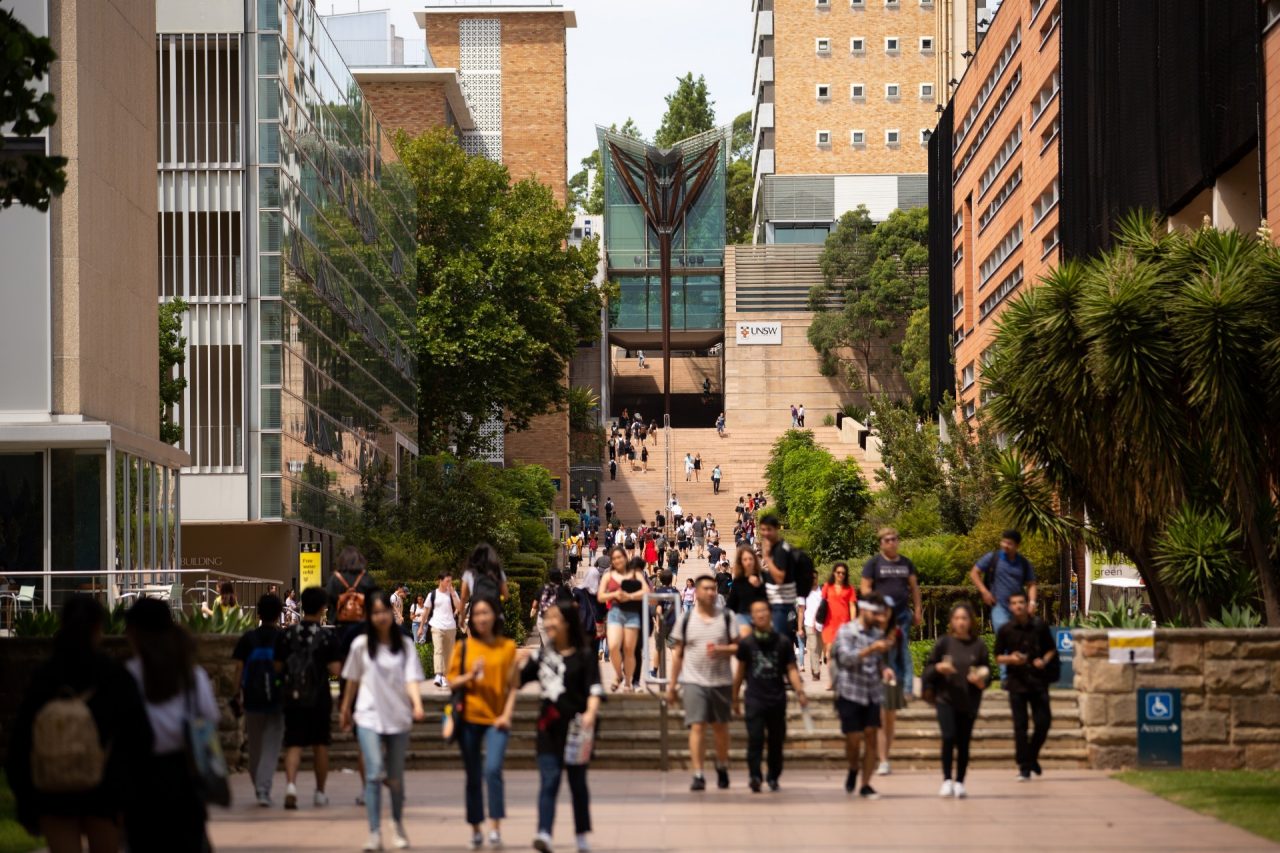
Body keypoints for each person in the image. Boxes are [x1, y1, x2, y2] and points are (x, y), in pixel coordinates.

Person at [6, 596, 151, 853]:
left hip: (54, 788)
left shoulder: (44, 676)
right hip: (104, 789)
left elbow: (21, 739)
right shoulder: (114, 674)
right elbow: (139, 735)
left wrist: (26, 800)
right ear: (98, 628)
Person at [122, 599, 219, 852]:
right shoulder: (191, 674)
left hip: (139, 779)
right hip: (184, 775)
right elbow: (209, 720)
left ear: (134, 633)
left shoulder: (127, 675)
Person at [340, 590, 426, 851]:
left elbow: (411, 680)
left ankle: (397, 824)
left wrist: (418, 705)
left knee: (396, 778)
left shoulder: (405, 647)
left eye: (384, 612)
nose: (380, 617)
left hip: (398, 719)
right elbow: (352, 681)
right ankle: (375, 832)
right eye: (375, 612)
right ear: (369, 617)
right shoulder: (360, 646)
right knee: (375, 773)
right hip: (367, 717)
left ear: (391, 613)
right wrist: (345, 710)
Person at [524, 602, 603, 853]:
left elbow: (594, 689)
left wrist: (591, 713)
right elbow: (515, 681)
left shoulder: (585, 656)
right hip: (548, 728)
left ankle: (581, 835)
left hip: (578, 730)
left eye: (554, 618)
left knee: (577, 783)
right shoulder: (541, 656)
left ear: (568, 622)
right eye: (546, 618)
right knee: (550, 780)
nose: (548, 623)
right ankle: (544, 833)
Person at [447, 597, 519, 850]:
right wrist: (470, 675)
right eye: (477, 614)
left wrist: (506, 715)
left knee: (492, 770)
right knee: (473, 775)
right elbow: (452, 682)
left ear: (495, 616)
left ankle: (496, 827)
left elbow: (513, 687)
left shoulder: (507, 647)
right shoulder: (463, 648)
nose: (482, 618)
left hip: (496, 720)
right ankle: (476, 827)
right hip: (468, 719)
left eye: (486, 613)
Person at [666, 574, 737, 791]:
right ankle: (698, 773)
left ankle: (722, 765)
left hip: (721, 680)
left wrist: (722, 649)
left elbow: (738, 646)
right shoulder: (686, 619)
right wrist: (672, 685)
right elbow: (678, 653)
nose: (711, 592)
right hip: (693, 681)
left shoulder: (726, 617)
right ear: (696, 592)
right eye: (706, 588)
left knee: (720, 728)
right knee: (697, 726)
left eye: (713, 588)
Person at [860, 527, 922, 776]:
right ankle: (887, 686)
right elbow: (865, 588)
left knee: (901, 647)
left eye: (895, 538)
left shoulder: (906, 563)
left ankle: (905, 688)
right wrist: (873, 609)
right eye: (887, 539)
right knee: (884, 652)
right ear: (881, 543)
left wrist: (918, 610)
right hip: (881, 618)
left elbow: (914, 588)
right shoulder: (874, 564)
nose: (892, 542)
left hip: (902, 615)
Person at [276, 586, 343, 811]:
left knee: (293, 744)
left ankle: (291, 787)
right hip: (319, 697)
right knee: (320, 745)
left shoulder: (287, 635)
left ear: (302, 605)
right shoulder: (326, 636)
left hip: (293, 695)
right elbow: (336, 667)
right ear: (323, 607)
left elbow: (277, 666)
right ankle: (320, 792)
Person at [732, 599, 808, 792]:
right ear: (752, 617)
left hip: (776, 699)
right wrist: (734, 697)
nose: (761, 615)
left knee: (776, 740)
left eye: (764, 611)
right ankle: (755, 775)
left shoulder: (782, 641)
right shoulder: (747, 643)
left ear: (770, 614)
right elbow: (740, 672)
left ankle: (774, 775)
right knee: (755, 739)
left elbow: (791, 669)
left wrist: (799, 691)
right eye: (757, 612)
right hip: (754, 699)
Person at [922, 602, 991, 799]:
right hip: (946, 699)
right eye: (957, 618)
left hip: (969, 701)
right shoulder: (944, 643)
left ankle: (960, 781)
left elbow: (987, 674)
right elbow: (927, 672)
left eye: (965, 618)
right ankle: (946, 780)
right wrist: (938, 669)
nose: (961, 622)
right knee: (948, 736)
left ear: (971, 621)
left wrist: (980, 680)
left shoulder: (978, 646)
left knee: (963, 742)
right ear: (952, 621)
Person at [829, 594, 894, 799]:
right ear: (864, 611)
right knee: (853, 740)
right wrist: (871, 649)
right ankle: (853, 767)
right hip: (849, 692)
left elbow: (878, 661)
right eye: (875, 613)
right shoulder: (846, 631)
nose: (878, 617)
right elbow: (846, 658)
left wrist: (885, 669)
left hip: (872, 692)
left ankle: (865, 784)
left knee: (871, 737)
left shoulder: (877, 634)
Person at [994, 589, 1055, 782]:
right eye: (1014, 603)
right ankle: (1024, 767)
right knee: (1020, 726)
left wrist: (1043, 661)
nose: (1018, 606)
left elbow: (1051, 649)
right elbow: (997, 657)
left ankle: (1031, 756)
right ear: (1010, 607)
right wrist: (1011, 659)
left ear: (1027, 603)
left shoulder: (1039, 626)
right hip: (1016, 682)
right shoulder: (1005, 629)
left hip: (1038, 681)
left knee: (1044, 722)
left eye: (1022, 602)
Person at [232, 593, 286, 807]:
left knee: (254, 745)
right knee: (272, 746)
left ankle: (259, 786)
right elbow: (285, 667)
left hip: (252, 698)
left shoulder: (248, 639)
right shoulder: (283, 638)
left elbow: (238, 668)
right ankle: (263, 788)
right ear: (279, 614)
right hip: (277, 698)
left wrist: (237, 693)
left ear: (259, 613)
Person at [969, 529, 1037, 684]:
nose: (1005, 545)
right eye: (1004, 542)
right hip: (998, 606)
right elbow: (974, 573)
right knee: (1004, 638)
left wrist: (1032, 602)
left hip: (1018, 608)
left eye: (1010, 543)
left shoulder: (1023, 563)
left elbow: (1031, 584)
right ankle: (1006, 678)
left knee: (1020, 640)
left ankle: (1019, 675)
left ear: (1017, 546)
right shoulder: (993, 558)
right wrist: (984, 592)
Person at [599, 551, 649, 693]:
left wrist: (630, 596)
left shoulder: (635, 573)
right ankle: (618, 674)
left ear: (625, 558)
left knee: (629, 650)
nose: (617, 560)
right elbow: (601, 596)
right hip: (615, 612)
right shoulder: (608, 575)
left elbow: (646, 590)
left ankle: (628, 682)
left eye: (619, 557)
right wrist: (615, 594)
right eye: (614, 558)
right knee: (613, 646)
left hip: (632, 613)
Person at [757, 514, 798, 643]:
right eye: (763, 529)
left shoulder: (781, 550)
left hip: (780, 605)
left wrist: (767, 559)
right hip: (776, 604)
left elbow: (780, 578)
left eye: (769, 529)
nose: (765, 533)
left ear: (776, 530)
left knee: (778, 645)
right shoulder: (779, 548)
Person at [421, 572, 462, 688]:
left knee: (449, 653)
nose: (449, 583)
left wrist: (453, 594)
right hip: (436, 626)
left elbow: (459, 608)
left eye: (450, 581)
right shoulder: (432, 594)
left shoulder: (452, 594)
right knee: (438, 650)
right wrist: (421, 627)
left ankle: (445, 676)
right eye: (447, 581)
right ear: (440, 580)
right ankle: (438, 674)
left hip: (450, 627)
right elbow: (426, 611)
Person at [460, 543, 510, 621]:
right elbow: (506, 596)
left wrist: (462, 616)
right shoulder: (498, 572)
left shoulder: (469, 573)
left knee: (473, 631)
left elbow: (463, 597)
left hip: (477, 612)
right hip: (494, 612)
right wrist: (498, 597)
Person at [820, 562, 857, 655]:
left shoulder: (850, 589)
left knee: (841, 652)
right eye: (838, 572)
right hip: (829, 623)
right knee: (829, 651)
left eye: (843, 573)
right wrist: (816, 620)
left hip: (844, 624)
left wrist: (853, 623)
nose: (840, 575)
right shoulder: (827, 586)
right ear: (834, 573)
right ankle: (830, 667)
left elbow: (852, 606)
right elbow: (821, 604)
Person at [533, 570, 568, 647]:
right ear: (560, 578)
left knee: (546, 644)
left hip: (542, 620)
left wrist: (533, 611)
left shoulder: (542, 588)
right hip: (558, 621)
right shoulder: (563, 590)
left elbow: (534, 604)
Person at [802, 582, 825, 681]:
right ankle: (816, 672)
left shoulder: (823, 591)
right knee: (813, 647)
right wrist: (800, 626)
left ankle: (816, 665)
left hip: (822, 624)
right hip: (809, 623)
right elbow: (801, 609)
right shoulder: (804, 591)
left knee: (819, 648)